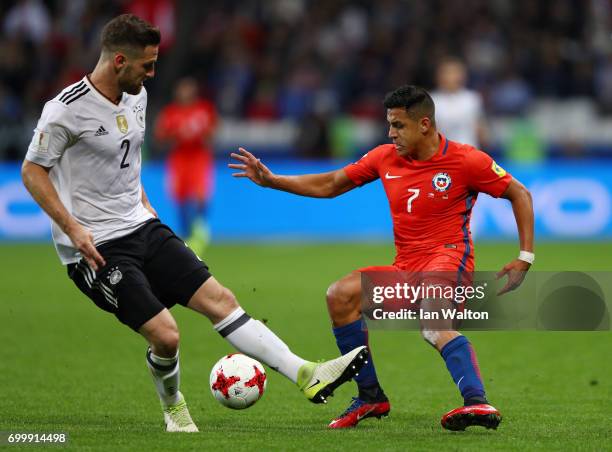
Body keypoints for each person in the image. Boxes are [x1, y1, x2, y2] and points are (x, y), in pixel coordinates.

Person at [21, 14, 368, 433]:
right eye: (146, 65)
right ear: (117, 61)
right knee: (166, 337)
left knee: (221, 300)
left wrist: (146, 208)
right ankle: (174, 408)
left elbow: (124, 162)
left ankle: (306, 373)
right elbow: (32, 172)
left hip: (142, 226)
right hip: (96, 247)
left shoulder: (138, 96)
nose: (152, 74)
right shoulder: (65, 110)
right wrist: (74, 229)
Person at [229, 85, 534, 430]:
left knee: (434, 326)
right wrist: (273, 181)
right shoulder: (384, 157)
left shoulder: (466, 160)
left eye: (398, 125)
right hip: (406, 267)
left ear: (424, 124)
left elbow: (519, 193)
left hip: (449, 259)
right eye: (389, 125)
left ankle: (478, 403)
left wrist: (525, 256)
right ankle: (371, 396)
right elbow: (331, 184)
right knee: (340, 296)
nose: (391, 133)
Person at [155, 77, 216, 254]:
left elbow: (212, 135)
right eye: (182, 89)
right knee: (179, 197)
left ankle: (200, 228)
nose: (184, 93)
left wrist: (201, 137)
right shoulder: (170, 113)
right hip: (179, 158)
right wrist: (176, 137)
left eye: (188, 89)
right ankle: (186, 233)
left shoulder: (204, 109)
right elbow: (160, 139)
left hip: (198, 157)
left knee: (201, 195)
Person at [430, 57, 488, 148]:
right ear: (439, 76)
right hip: (444, 155)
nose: (451, 77)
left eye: (455, 72)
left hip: (470, 152)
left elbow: (481, 130)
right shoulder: (432, 100)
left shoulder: (472, 99)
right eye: (447, 72)